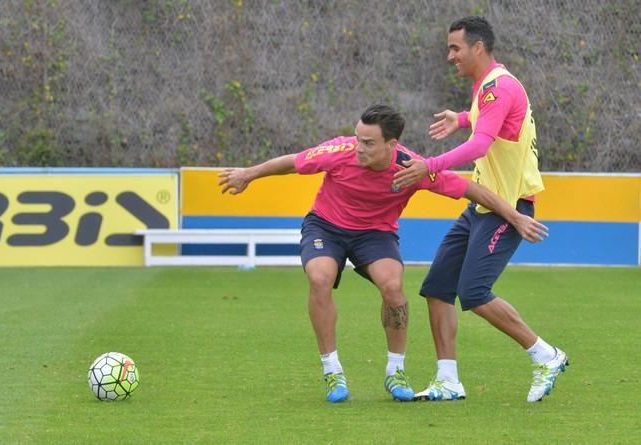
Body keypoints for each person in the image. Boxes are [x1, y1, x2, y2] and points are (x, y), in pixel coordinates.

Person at [219, 104, 548, 403]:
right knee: (320, 277)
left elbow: (470, 189)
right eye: (358, 138)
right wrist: (248, 174)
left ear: (392, 145)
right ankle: (332, 370)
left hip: (375, 235)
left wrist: (514, 215)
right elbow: (292, 162)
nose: (359, 147)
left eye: (368, 143)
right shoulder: (340, 151)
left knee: (393, 287)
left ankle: (395, 371)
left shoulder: (411, 168)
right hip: (326, 227)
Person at [392, 16, 568, 402]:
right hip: (482, 204)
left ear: (478, 48)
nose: (449, 55)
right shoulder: (489, 87)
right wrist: (463, 117)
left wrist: (430, 164)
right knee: (437, 287)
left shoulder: (497, 87)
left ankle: (546, 355)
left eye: (455, 48)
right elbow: (491, 121)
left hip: (508, 206)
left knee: (473, 292)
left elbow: (480, 146)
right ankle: (448, 380)